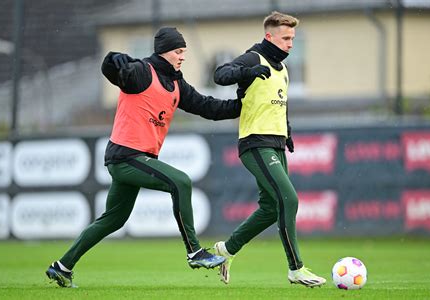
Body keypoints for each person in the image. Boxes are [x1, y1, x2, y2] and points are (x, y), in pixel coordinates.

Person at [45, 27, 242, 288]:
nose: (182, 56)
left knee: (114, 218)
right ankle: (195, 252)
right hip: (126, 156)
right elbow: (114, 69)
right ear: (164, 52)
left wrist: (243, 103)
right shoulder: (141, 72)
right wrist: (112, 59)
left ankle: (62, 267)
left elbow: (210, 107)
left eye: (184, 51)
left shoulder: (176, 84)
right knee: (180, 182)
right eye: (178, 51)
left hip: (133, 159)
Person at [212, 12, 326, 287]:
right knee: (289, 200)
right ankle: (296, 269)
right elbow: (220, 74)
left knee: (270, 207)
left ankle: (226, 250)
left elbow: (279, 102)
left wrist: (287, 131)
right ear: (269, 36)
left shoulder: (282, 68)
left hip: (275, 145)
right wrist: (246, 72)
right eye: (286, 38)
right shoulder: (254, 58)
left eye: (293, 39)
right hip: (255, 143)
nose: (290, 44)